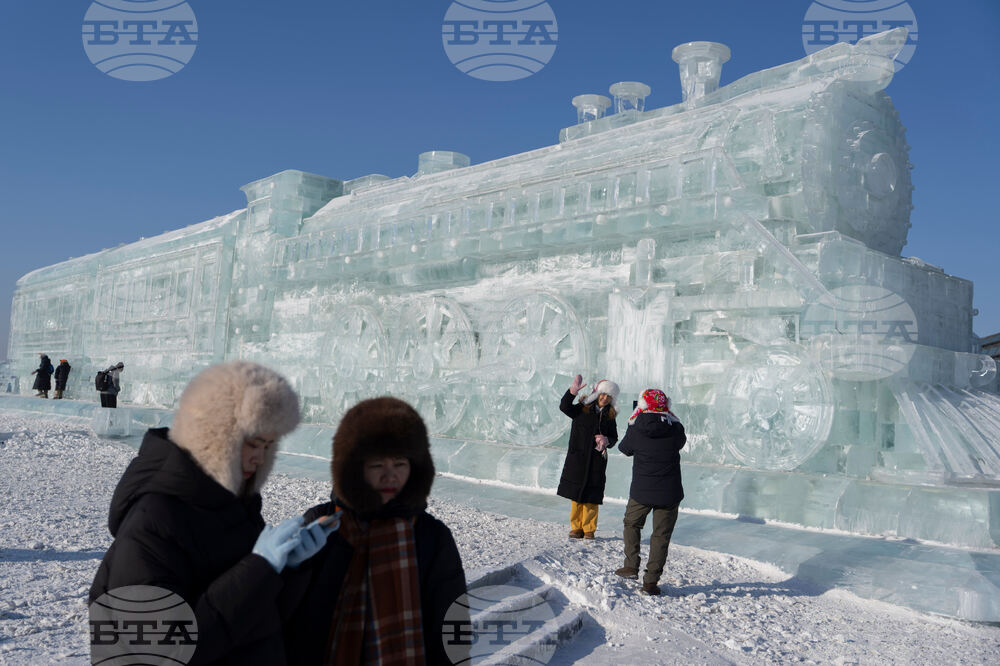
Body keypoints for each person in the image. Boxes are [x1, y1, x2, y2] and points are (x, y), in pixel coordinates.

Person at [90, 361, 333, 665]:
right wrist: (259, 570)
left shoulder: (237, 507)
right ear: (214, 433)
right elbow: (164, 651)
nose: (259, 458)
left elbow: (256, 623)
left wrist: (288, 569)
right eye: (252, 444)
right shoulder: (152, 522)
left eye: (268, 446)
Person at [282, 396, 468, 665]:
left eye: (400, 464)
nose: (390, 476)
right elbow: (285, 611)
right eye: (378, 465)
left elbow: (453, 628)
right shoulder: (321, 523)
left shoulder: (432, 537)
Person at [615, 388, 686, 596]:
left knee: (632, 523)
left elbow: (624, 449)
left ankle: (630, 565)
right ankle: (650, 583)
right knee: (660, 536)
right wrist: (672, 418)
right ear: (667, 407)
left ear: (643, 405)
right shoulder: (675, 429)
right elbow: (680, 443)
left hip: (641, 492)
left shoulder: (636, 427)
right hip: (669, 493)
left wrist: (633, 420)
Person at [557, 374, 619, 539]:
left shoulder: (610, 416)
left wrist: (607, 440)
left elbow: (614, 438)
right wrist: (572, 392)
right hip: (578, 458)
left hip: (596, 461)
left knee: (591, 496)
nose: (605, 399)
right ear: (597, 393)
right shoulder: (581, 408)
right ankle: (576, 527)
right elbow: (564, 407)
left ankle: (589, 528)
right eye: (603, 394)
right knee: (576, 495)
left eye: (609, 397)